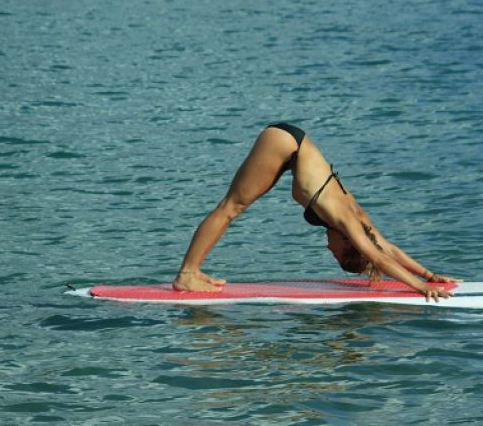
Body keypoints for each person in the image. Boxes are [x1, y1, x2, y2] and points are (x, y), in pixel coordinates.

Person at [173, 123, 462, 302]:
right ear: (348, 243)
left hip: (291, 145)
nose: (328, 247)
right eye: (335, 254)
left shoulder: (359, 220)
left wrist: (430, 273)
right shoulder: (346, 220)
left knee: (232, 208)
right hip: (285, 145)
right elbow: (377, 256)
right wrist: (421, 287)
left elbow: (387, 248)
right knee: (230, 207)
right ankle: (187, 273)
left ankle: (193, 270)